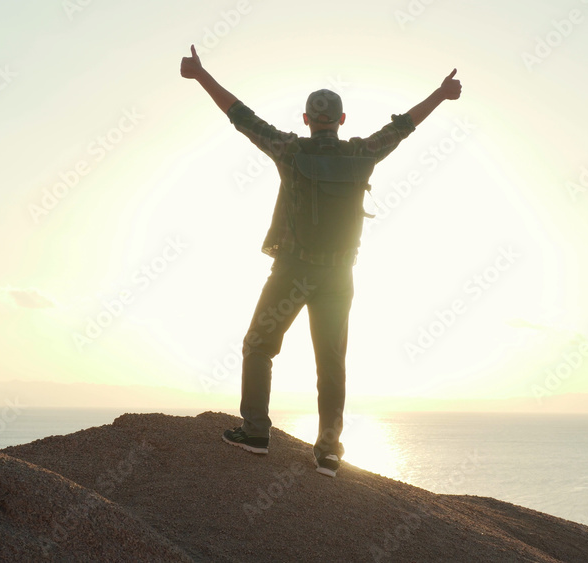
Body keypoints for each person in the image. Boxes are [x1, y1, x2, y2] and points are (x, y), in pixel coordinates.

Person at [179, 45, 461, 477]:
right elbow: (403, 126)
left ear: (307, 120)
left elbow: (241, 116)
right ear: (342, 120)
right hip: (339, 274)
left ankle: (255, 434)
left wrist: (201, 75)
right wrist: (441, 94)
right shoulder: (361, 153)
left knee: (259, 346)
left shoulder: (290, 150)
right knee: (330, 363)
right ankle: (328, 453)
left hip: (293, 269)